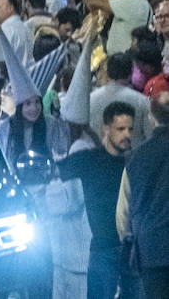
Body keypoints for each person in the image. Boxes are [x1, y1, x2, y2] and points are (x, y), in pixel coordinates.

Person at [60, 103, 137, 299]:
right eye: (120, 129)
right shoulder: (89, 160)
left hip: (133, 251)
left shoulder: (136, 162)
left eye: (130, 129)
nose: (127, 134)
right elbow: (52, 172)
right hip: (104, 249)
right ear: (106, 128)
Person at [118, 93, 169, 299]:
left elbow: (122, 214)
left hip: (150, 250)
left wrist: (129, 242)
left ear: (151, 117)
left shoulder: (134, 157)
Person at [90, 53, 154, 147]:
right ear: (130, 73)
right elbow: (150, 136)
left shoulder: (91, 99)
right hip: (132, 158)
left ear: (107, 72)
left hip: (98, 157)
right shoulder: (142, 101)